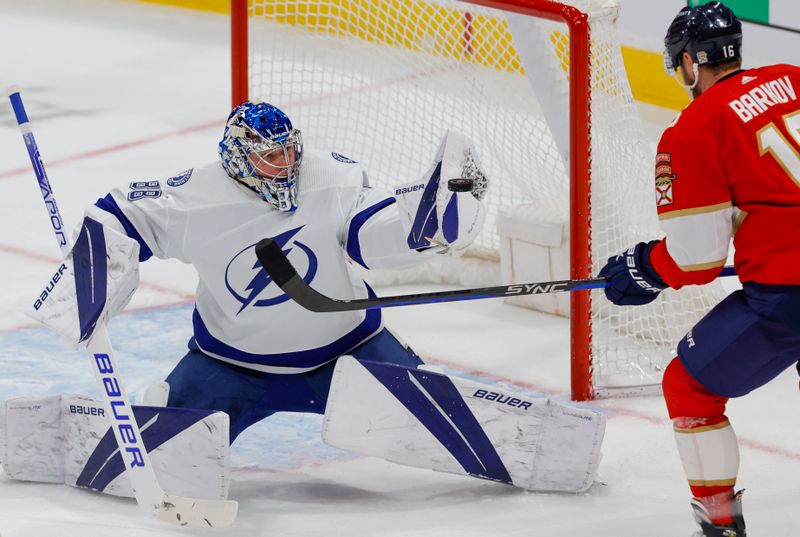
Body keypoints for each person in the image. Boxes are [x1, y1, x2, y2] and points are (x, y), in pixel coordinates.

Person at [17, 100, 606, 498]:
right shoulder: (194, 198)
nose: (286, 165)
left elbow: (369, 236)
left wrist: (425, 226)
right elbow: (119, 213)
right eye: (270, 156)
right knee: (162, 458)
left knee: (446, 419)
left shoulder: (333, 177)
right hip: (229, 368)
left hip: (351, 356)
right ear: (237, 156)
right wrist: (93, 278)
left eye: (290, 151)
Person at [599, 2, 800, 536]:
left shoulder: (694, 129)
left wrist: (644, 268)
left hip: (789, 297)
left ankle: (720, 526)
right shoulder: (795, 79)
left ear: (688, 64)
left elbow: (697, 260)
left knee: (688, 386)